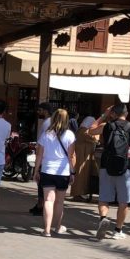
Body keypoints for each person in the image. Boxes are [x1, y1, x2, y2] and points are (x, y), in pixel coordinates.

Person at [88, 103, 130, 240]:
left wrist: (104, 115)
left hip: (106, 166)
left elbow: (90, 130)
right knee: (123, 201)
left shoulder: (106, 126)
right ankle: (118, 230)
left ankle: (103, 218)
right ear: (126, 114)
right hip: (125, 168)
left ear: (113, 113)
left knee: (104, 198)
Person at [33, 108, 76, 237]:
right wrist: (72, 172)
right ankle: (58, 227)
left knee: (48, 200)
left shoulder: (46, 134)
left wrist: (36, 171)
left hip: (47, 171)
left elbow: (39, 155)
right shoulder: (70, 135)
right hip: (63, 172)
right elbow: (71, 156)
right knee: (59, 202)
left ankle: (46, 230)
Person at [30, 101, 53, 216]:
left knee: (41, 182)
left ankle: (41, 205)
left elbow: (42, 142)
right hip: (48, 155)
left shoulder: (47, 123)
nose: (38, 112)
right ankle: (40, 204)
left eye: (40, 110)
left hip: (44, 156)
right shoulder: (50, 122)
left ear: (45, 111)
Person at [71, 116, 97, 201]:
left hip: (82, 156)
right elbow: (94, 139)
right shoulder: (85, 131)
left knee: (80, 176)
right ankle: (78, 194)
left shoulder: (80, 130)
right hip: (82, 157)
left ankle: (79, 194)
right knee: (81, 176)